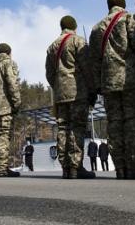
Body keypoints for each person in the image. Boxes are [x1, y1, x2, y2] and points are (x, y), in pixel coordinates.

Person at [89, 0, 135, 180]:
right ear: (123, 4)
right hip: (131, 79)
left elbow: (94, 61)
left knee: (115, 124)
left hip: (108, 83)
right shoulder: (129, 19)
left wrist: (97, 85)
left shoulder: (97, 29)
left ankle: (120, 167)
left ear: (108, 6)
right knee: (133, 122)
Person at [46, 16, 96, 179]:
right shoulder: (78, 41)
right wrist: (92, 89)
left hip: (60, 95)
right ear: (74, 27)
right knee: (77, 128)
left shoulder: (52, 47)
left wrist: (58, 85)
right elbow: (87, 68)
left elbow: (49, 74)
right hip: (77, 92)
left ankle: (66, 167)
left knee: (63, 129)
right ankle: (76, 166)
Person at [0, 43, 21, 177]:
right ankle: (2, 168)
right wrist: (16, 102)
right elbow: (12, 83)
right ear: (9, 52)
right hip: (5, 106)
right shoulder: (8, 63)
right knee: (3, 135)